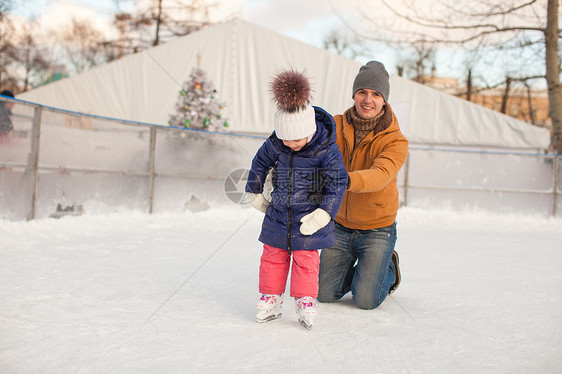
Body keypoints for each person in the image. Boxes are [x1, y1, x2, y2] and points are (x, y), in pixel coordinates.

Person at [245, 69, 348, 329]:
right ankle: (271, 297)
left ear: (310, 130)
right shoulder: (277, 142)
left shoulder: (326, 149)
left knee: (305, 259)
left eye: (297, 139)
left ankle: (304, 299)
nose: (291, 144)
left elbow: (338, 181)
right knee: (272, 255)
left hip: (309, 215)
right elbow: (260, 162)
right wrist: (255, 190)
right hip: (278, 213)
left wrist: (325, 212)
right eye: (285, 139)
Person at [317, 61, 409, 310]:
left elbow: (380, 175)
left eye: (376, 94)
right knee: (324, 294)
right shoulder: (332, 125)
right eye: (363, 92)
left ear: (384, 100)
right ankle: (363, 269)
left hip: (377, 228)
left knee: (366, 300)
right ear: (354, 95)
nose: (368, 100)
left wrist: (343, 179)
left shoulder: (395, 140)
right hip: (340, 225)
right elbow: (305, 141)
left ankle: (386, 266)